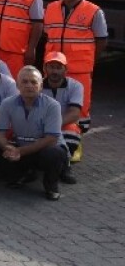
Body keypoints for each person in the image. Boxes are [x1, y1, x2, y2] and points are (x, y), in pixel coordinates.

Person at [0, 66, 68, 201]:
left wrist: (20, 151)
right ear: (17, 85)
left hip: (43, 149)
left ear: (41, 86)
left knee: (54, 153)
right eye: (24, 82)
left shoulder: (53, 105)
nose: (29, 86)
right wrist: (8, 148)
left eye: (34, 82)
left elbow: (51, 139)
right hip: (21, 148)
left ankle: (51, 186)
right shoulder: (7, 103)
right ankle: (18, 176)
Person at [43, 0, 107, 123]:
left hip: (79, 70)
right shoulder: (51, 8)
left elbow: (102, 41)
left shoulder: (94, 11)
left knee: (80, 112)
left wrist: (89, 60)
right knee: (49, 106)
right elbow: (47, 35)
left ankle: (76, 142)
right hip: (53, 69)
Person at [41, 51, 85, 180]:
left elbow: (74, 113)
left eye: (58, 67)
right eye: (51, 67)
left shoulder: (76, 86)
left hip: (63, 124)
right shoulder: (37, 86)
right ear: (45, 69)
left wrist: (54, 125)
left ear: (66, 69)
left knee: (72, 132)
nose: (55, 71)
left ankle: (65, 166)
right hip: (40, 125)